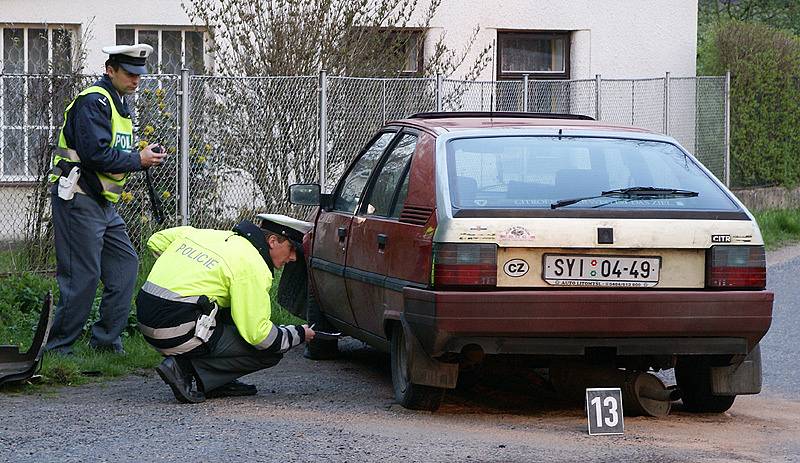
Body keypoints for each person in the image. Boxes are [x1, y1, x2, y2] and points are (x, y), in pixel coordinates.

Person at [45, 43, 166, 355]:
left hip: (101, 203)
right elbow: (95, 154)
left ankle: (106, 342)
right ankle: (59, 349)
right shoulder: (94, 101)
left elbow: (111, 151)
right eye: (129, 73)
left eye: (139, 74)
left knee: (126, 265)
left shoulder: (116, 102)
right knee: (81, 277)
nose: (136, 79)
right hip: (78, 198)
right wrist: (137, 159)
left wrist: (140, 156)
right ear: (110, 70)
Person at [136, 215, 316, 403]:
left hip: (146, 317)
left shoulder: (206, 235)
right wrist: (299, 333)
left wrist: (181, 268)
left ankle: (214, 382)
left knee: (229, 308)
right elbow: (259, 336)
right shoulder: (252, 264)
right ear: (272, 241)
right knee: (271, 352)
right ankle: (182, 367)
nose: (294, 257)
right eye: (292, 249)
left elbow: (155, 241)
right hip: (175, 332)